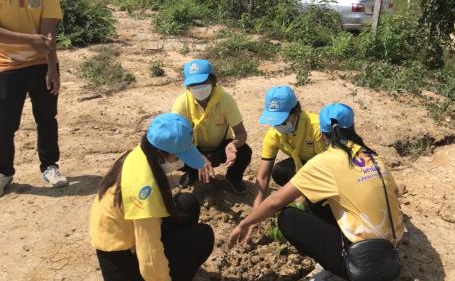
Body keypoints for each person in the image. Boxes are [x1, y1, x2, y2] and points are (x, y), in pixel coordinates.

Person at [229, 103, 405, 280]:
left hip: (364, 266)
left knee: (288, 218)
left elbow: (275, 202)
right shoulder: (372, 156)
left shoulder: (326, 161)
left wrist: (244, 223)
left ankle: (334, 269)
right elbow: (394, 195)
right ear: (352, 128)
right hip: (392, 251)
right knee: (322, 199)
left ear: (322, 135)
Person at [90, 113, 215, 281]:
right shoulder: (145, 189)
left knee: (188, 203)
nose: (180, 162)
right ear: (160, 153)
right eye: (178, 156)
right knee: (203, 236)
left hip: (126, 233)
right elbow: (149, 255)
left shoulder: (141, 152)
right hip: (120, 254)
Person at [0, 0, 66, 196]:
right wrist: (28, 39)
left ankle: (50, 166)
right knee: (5, 124)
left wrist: (52, 68)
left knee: (47, 119)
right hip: (6, 66)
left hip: (41, 65)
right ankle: (4, 172)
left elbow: (48, 34)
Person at [249, 86, 326, 233]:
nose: (278, 125)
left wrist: (301, 196)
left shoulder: (316, 128)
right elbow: (263, 175)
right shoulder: (274, 135)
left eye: (282, 120)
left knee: (317, 204)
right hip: (302, 166)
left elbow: (325, 167)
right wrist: (256, 213)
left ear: (295, 112)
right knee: (279, 171)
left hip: (323, 168)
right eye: (274, 121)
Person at [172, 59, 252, 193]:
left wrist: (232, 145)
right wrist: (197, 156)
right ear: (187, 86)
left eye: (203, 82)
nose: (198, 87)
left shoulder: (225, 100)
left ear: (213, 81)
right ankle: (191, 174)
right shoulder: (182, 103)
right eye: (193, 84)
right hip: (193, 148)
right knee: (173, 152)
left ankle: (233, 178)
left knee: (244, 152)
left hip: (221, 148)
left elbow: (241, 133)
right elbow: (176, 138)